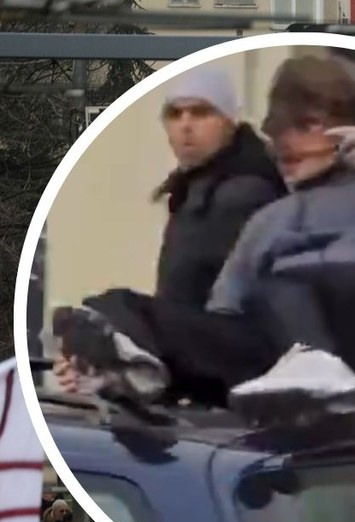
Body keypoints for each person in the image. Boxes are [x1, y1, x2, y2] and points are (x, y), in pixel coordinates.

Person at [53, 54, 355, 422]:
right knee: (109, 308)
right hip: (282, 342)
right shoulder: (267, 220)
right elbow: (222, 321)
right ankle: (121, 367)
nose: (285, 143)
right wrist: (158, 348)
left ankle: (318, 364)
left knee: (291, 283)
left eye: (305, 126)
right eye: (278, 131)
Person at [53, 66, 287, 395]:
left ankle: (114, 367)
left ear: (229, 120)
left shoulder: (242, 193)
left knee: (113, 308)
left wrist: (157, 349)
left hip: (234, 357)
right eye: (175, 114)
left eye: (201, 112)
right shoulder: (200, 188)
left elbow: (200, 298)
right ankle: (103, 366)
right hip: (217, 352)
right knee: (100, 320)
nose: (186, 125)